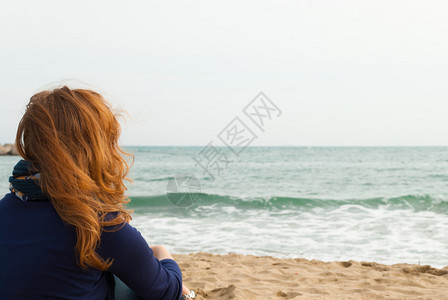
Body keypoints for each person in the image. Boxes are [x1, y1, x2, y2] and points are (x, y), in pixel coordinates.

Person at [0, 86, 195, 300]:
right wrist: (162, 253)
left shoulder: (5, 208)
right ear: (94, 148)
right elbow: (166, 290)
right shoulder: (96, 223)